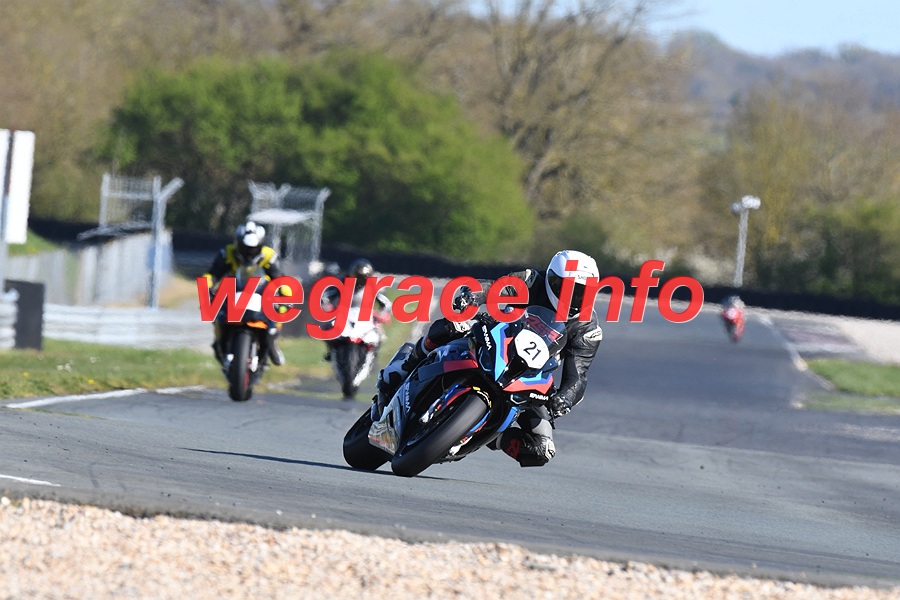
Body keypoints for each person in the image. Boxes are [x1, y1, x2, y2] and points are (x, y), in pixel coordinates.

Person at [374, 250, 604, 468]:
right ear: (552, 280)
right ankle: (407, 364)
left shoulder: (589, 330)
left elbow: (578, 375)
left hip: (530, 376)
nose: (576, 297)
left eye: (584, 292)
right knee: (450, 326)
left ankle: (493, 436)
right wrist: (472, 296)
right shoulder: (532, 280)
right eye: (570, 289)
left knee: (541, 449)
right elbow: (495, 288)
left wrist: (564, 399)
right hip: (495, 336)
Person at [202, 220, 289, 368]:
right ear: (238, 243)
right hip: (233, 291)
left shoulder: (268, 256)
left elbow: (280, 278)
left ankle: (272, 340)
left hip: (261, 292)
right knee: (217, 313)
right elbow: (213, 274)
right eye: (245, 248)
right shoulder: (227, 253)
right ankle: (219, 341)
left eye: (253, 249)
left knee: (278, 310)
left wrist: (286, 295)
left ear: (260, 245)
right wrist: (207, 288)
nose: (249, 252)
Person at [322, 258, 393, 362]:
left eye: (362, 278)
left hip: (366, 314)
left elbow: (386, 304)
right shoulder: (341, 282)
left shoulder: (375, 286)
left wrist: (382, 314)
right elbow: (326, 296)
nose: (359, 281)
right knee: (327, 327)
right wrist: (328, 307)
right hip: (344, 313)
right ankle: (331, 350)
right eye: (357, 277)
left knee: (379, 332)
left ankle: (374, 352)